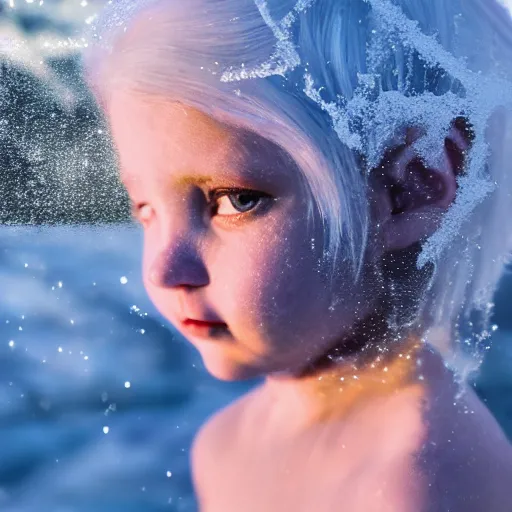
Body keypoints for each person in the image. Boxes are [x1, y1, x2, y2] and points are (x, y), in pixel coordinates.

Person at [83, 0, 512, 510]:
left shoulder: (423, 482)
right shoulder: (222, 444)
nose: (163, 268)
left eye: (234, 200)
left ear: (408, 190)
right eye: (145, 209)